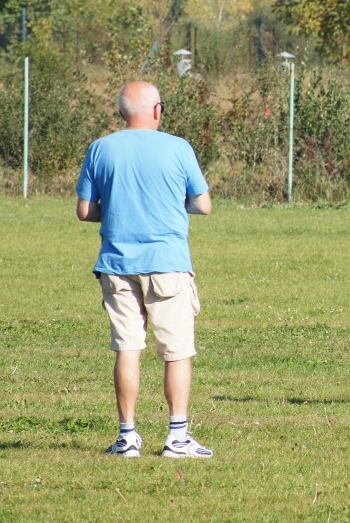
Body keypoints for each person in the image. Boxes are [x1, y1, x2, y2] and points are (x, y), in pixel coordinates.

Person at [76, 81, 213, 458]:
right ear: (157, 110)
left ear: (122, 113)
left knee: (128, 348)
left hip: (117, 264)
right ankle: (177, 436)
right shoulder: (178, 148)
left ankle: (127, 437)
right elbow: (203, 205)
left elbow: (85, 211)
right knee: (176, 351)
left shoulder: (100, 148)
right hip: (168, 263)